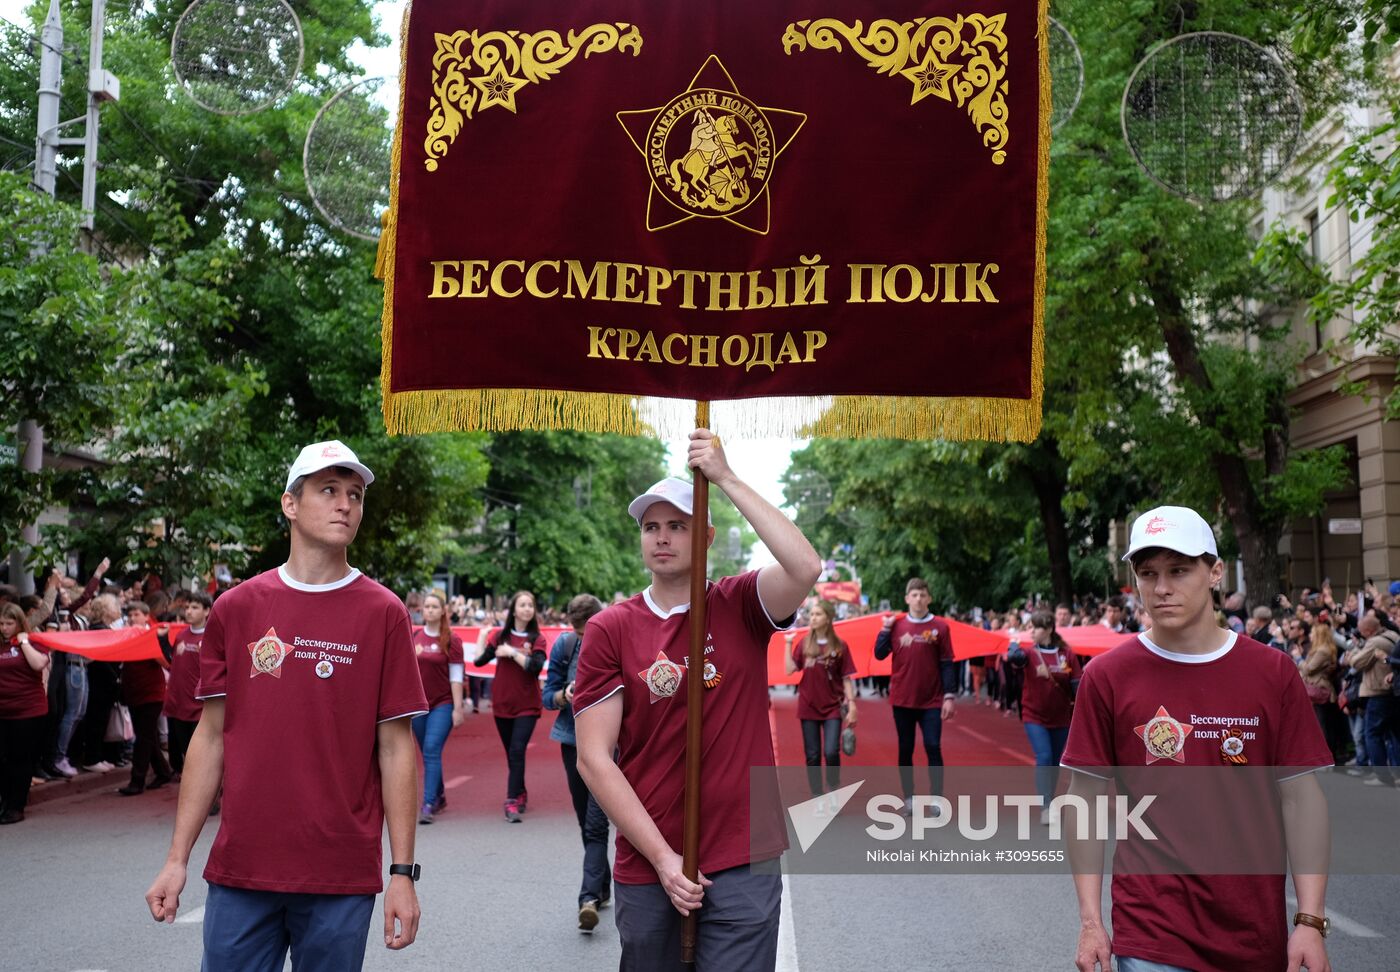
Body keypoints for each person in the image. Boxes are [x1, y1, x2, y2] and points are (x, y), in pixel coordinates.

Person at [144, 439, 427, 970]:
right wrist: (176, 859)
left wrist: (402, 874)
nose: (346, 504)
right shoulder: (237, 607)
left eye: (355, 494)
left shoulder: (384, 612)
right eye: (329, 490)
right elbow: (210, 737)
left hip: (340, 873)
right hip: (242, 868)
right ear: (290, 505)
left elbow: (395, 749)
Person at [574, 433, 820, 971]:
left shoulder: (738, 604)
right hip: (648, 860)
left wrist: (726, 478)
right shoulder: (609, 628)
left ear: (705, 535)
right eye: (651, 527)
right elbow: (594, 757)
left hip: (743, 854)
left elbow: (805, 567)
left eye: (679, 526)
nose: (662, 538)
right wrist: (664, 860)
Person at [1062, 505, 1333, 972]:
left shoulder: (1272, 672)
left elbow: (1301, 801)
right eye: (1148, 573)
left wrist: (1310, 920)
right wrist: (1090, 922)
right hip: (1151, 932)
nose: (1162, 588)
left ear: (1215, 572)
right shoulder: (1107, 676)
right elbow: (1082, 802)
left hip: (1253, 932)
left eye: (1179, 570)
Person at [542, 593, 613, 931]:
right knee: (585, 821)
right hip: (573, 741)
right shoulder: (564, 646)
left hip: (609, 746)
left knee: (597, 824)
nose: (584, 638)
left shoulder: (615, 638)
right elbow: (547, 696)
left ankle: (588, 898)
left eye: (588, 632)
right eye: (579, 633)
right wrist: (563, 695)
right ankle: (602, 884)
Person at [874, 577, 957, 813]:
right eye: (914, 595)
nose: (919, 599)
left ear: (929, 598)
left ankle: (937, 799)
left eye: (923, 595)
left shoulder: (940, 627)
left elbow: (947, 662)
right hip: (902, 698)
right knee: (905, 748)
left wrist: (949, 696)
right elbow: (879, 654)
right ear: (907, 598)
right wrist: (885, 630)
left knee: (933, 746)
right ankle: (909, 797)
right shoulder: (896, 625)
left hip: (931, 699)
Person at [474, 590, 546, 822]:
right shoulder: (499, 636)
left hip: (528, 704)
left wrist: (513, 653)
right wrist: (482, 636)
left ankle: (511, 800)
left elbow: (535, 667)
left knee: (516, 750)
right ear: (514, 609)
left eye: (530, 605)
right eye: (523, 605)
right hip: (502, 703)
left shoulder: (537, 638)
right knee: (512, 753)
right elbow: (479, 660)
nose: (527, 609)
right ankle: (521, 791)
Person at [783, 598, 857, 807]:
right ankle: (817, 794)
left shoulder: (840, 645)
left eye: (817, 614)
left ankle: (833, 789)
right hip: (808, 705)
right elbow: (790, 669)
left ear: (828, 618)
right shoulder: (804, 644)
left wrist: (852, 704)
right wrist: (788, 645)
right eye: (812, 614)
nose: (813, 618)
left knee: (831, 751)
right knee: (813, 755)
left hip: (833, 706)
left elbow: (846, 676)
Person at [1009, 610, 1080, 821]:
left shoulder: (1067, 654)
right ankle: (1046, 806)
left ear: (1048, 629)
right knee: (1044, 756)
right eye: (1029, 627)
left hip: (1061, 716)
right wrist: (1013, 644)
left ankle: (1050, 798)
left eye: (1035, 627)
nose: (1031, 631)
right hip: (1034, 715)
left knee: (1055, 761)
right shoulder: (1029, 654)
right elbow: (1015, 658)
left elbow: (1077, 683)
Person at [412, 591, 464, 823]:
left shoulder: (452, 640)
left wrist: (458, 708)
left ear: (443, 611)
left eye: (434, 607)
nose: (430, 610)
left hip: (443, 703)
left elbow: (456, 676)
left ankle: (429, 802)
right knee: (427, 753)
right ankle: (440, 795)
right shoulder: (413, 637)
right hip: (418, 704)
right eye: (427, 606)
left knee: (432, 748)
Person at [0, 602, 51, 824]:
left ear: (19, 623)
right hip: (3, 711)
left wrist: (24, 642)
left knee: (20, 759)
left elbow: (39, 664)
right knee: (3, 759)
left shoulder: (34, 641)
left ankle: (16, 806)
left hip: (28, 711)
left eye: (9, 623)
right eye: (1, 623)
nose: (4, 628)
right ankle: (5, 801)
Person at [117, 601, 174, 796]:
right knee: (147, 736)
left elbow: (165, 662)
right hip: (133, 692)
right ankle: (163, 771)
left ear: (145, 616)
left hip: (152, 693)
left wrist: (149, 642)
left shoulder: (152, 636)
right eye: (130, 615)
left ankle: (137, 781)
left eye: (136, 615)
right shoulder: (128, 635)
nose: (132, 619)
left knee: (143, 737)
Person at [162, 591, 211, 777]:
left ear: (207, 611)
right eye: (187, 607)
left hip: (199, 707)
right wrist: (161, 640)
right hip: (178, 704)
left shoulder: (211, 637)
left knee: (200, 756)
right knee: (185, 752)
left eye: (195, 607)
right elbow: (172, 663)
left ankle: (210, 799)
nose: (189, 611)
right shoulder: (181, 635)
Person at [1353, 612, 1398, 786]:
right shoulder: (1393, 635)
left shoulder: (1374, 642)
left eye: (1362, 631)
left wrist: (1355, 654)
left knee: (1372, 734)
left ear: (1368, 630)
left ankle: (1382, 776)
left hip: (1378, 693)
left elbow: (1357, 663)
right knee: (1395, 734)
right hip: (1392, 692)